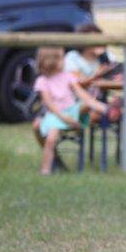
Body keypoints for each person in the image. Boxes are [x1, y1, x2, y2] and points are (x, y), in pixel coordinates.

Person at [33, 46, 111, 175]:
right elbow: (49, 104)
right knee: (51, 139)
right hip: (56, 115)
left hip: (71, 110)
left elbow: (81, 93)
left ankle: (104, 109)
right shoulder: (42, 81)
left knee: (86, 103)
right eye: (61, 58)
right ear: (51, 61)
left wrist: (93, 103)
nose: (64, 61)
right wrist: (64, 118)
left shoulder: (67, 76)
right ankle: (45, 170)